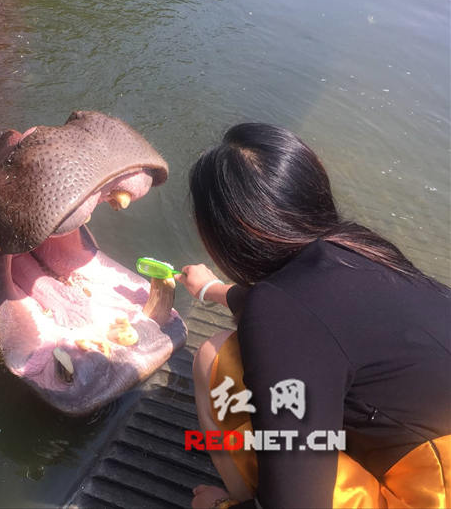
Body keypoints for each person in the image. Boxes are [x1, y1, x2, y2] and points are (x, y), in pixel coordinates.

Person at [173, 123, 451, 509]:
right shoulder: (360, 247)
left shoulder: (279, 310)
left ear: (223, 234)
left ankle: (240, 496)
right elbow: (319, 316)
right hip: (430, 450)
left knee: (215, 359)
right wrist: (211, 290)